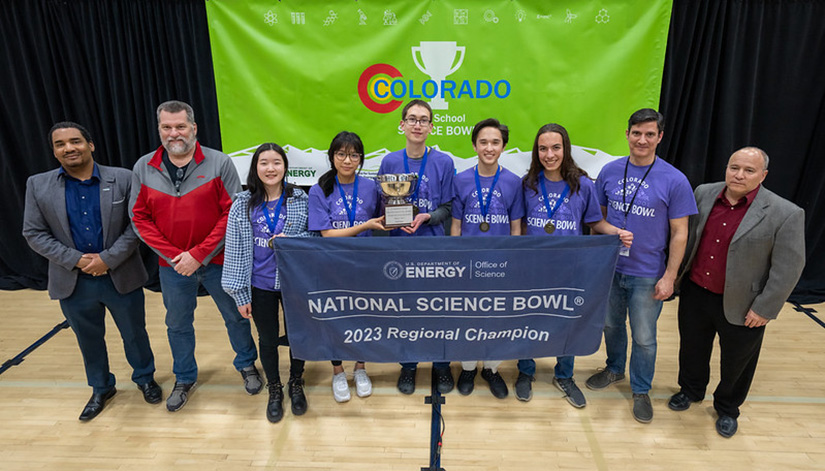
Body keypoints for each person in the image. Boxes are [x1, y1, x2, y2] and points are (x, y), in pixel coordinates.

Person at [23, 122, 159, 421]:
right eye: (61, 144)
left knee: (134, 334)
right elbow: (33, 233)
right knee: (88, 338)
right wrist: (78, 260)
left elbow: (137, 224)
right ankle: (101, 387)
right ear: (55, 151)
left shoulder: (123, 178)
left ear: (90, 145)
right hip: (73, 281)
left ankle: (145, 378)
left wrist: (107, 259)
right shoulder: (38, 184)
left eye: (75, 141)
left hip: (120, 275)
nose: (69, 148)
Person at [130, 100, 261, 412]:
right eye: (167, 127)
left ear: (193, 128)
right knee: (177, 324)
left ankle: (247, 365)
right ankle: (185, 376)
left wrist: (200, 255)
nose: (174, 133)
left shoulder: (219, 163)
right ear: (159, 129)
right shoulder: (143, 167)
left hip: (219, 262)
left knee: (236, 317)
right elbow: (138, 219)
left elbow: (233, 214)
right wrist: (177, 256)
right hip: (173, 266)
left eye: (180, 126)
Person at [668, 147, 805, 438]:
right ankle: (690, 391)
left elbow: (789, 268)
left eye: (749, 170)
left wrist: (765, 308)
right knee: (692, 349)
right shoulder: (704, 193)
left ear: (763, 175)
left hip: (745, 304)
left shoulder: (785, 213)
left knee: (738, 361)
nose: (739, 175)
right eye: (734, 167)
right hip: (696, 293)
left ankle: (728, 407)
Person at [586, 109, 697, 423]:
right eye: (637, 133)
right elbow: (597, 220)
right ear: (627, 134)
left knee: (645, 336)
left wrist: (670, 276)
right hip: (610, 268)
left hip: (647, 273)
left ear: (660, 137)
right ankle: (614, 368)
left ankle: (641, 389)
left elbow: (680, 232)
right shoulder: (608, 171)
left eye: (650, 134)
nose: (642, 140)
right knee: (610, 325)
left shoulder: (674, 179)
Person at [519, 123, 634, 406]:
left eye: (555, 147)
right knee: (528, 319)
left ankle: (564, 375)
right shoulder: (528, 184)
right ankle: (525, 371)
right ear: (537, 151)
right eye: (543, 148)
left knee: (566, 323)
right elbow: (519, 226)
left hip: (569, 270)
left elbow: (595, 221)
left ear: (565, 148)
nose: (549, 154)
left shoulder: (582, 184)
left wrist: (616, 232)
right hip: (533, 268)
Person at [222, 143, 317, 423]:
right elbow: (235, 249)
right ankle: (274, 388)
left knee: (298, 335)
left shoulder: (301, 199)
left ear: (285, 167)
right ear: (255, 168)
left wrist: (291, 241)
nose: (270, 168)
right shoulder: (242, 203)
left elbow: (316, 238)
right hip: (260, 284)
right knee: (267, 338)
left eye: (276, 162)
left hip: (295, 283)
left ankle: (295, 381)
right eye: (264, 163)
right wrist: (240, 294)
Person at [377, 99, 455, 395]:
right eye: (412, 119)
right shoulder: (390, 162)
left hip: (435, 249)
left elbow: (447, 207)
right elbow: (383, 203)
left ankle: (441, 365)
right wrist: (392, 219)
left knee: (439, 311)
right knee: (406, 311)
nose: (418, 124)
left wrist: (427, 217)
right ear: (402, 124)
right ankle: (408, 366)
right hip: (401, 250)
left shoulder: (444, 162)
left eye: (423, 120)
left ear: (431, 127)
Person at [308, 131, 385, 402]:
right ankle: (338, 370)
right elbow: (327, 234)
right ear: (332, 157)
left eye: (353, 155)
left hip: (364, 265)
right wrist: (365, 225)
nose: (347, 160)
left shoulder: (371, 187)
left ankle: (361, 368)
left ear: (361, 158)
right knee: (335, 320)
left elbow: (384, 217)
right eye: (341, 154)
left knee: (364, 318)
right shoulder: (319, 189)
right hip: (331, 266)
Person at [451, 118, 524, 399]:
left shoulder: (513, 182)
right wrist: (456, 263)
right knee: (468, 318)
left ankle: (491, 369)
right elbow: (456, 225)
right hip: (468, 264)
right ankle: (468, 368)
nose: (489, 147)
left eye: (495, 142)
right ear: (474, 145)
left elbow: (516, 226)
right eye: (483, 142)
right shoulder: (462, 179)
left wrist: (513, 263)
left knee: (497, 320)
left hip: (500, 265)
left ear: (503, 146)